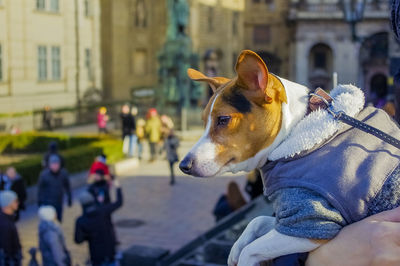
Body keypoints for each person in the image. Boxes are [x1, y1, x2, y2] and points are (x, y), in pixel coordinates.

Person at [74, 179, 123, 266]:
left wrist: (88, 235)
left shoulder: (81, 221)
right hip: (110, 253)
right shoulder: (103, 210)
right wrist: (118, 187)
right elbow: (119, 203)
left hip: (97, 257)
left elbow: (78, 240)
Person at [38, 155, 72, 222]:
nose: (55, 166)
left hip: (59, 202)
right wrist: (40, 203)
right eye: (53, 164)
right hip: (48, 203)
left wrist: (69, 198)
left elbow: (67, 186)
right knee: (49, 221)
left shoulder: (63, 173)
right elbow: (40, 190)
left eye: (57, 164)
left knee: (59, 220)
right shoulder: (44, 175)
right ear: (49, 165)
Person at [0, 191, 22, 266]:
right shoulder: (5, 224)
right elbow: (7, 249)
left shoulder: (8, 219)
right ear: (8, 203)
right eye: (15, 201)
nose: (17, 203)